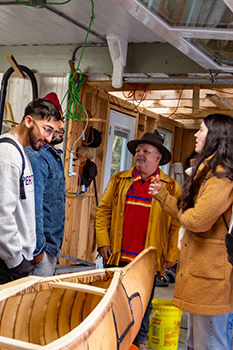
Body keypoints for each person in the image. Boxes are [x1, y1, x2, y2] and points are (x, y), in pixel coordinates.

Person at [149, 114, 233, 350]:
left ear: (216, 137)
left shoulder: (221, 178)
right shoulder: (207, 174)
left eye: (201, 130)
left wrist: (186, 218)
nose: (196, 135)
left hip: (211, 278)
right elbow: (189, 214)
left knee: (210, 341)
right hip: (203, 274)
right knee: (197, 342)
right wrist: (163, 197)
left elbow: (197, 220)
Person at [95, 131, 180, 350]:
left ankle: (138, 341)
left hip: (147, 260)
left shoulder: (170, 187)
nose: (140, 154)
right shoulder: (120, 180)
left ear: (158, 158)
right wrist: (103, 241)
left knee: (143, 301)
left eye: (146, 151)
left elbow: (176, 224)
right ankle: (111, 339)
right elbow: (103, 211)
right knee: (113, 299)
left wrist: (172, 255)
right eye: (138, 151)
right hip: (117, 254)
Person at [0, 98, 63, 288]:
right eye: (47, 129)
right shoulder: (6, 156)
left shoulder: (19, 152)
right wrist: (16, 262)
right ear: (29, 121)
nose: (49, 138)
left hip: (10, 260)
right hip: (0, 263)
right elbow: (0, 216)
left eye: (53, 132)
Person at [25, 92, 66, 276]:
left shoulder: (51, 155)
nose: (62, 127)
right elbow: (34, 205)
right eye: (57, 123)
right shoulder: (38, 155)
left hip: (49, 246)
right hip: (40, 250)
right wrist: (38, 249)